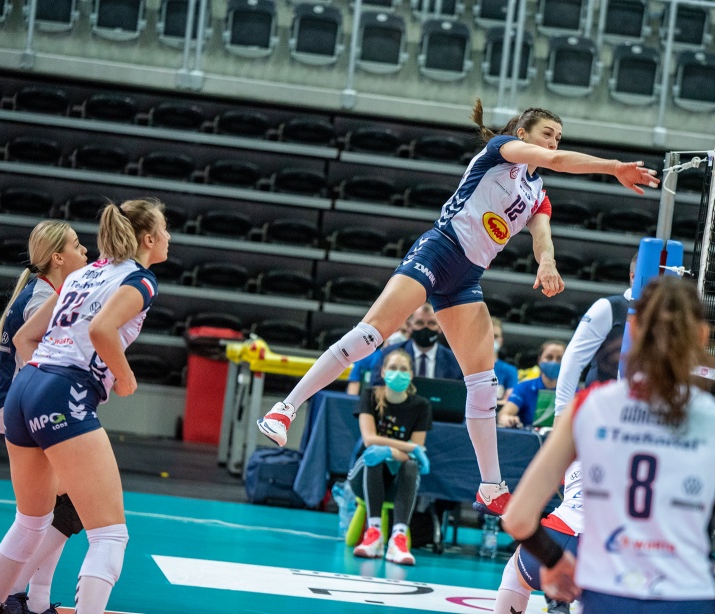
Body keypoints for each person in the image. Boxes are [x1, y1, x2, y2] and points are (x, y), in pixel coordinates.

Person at [258, 98, 659, 515]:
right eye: (547, 134)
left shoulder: (538, 194)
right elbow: (555, 160)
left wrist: (548, 262)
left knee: (484, 384)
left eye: (559, 137)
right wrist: (615, 167)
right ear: (523, 134)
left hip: (466, 278)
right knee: (370, 335)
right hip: (439, 251)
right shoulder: (501, 151)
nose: (553, 143)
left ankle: (491, 486)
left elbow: (542, 236)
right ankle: (285, 409)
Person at [502, 276, 715, 614]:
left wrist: (554, 560)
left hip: (606, 594)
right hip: (689, 597)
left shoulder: (589, 407)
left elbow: (518, 519)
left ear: (634, 330)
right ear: (702, 335)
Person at [0, 198, 170, 614]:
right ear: (149, 239)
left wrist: (45, 384)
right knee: (110, 536)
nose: (169, 236)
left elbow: (26, 338)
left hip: (25, 389)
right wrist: (124, 377)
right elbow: (102, 329)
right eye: (165, 228)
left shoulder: (85, 272)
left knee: (31, 522)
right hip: (63, 391)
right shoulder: (141, 280)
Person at [0, 220, 89, 614]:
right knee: (63, 507)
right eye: (77, 245)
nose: (85, 251)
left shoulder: (44, 292)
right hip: (25, 413)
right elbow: (38, 363)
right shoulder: (41, 298)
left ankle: (35, 600)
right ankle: (10, 595)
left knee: (60, 508)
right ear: (58, 258)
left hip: (22, 410)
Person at [348, 349, 433, 566]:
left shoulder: (421, 405)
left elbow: (416, 452)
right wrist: (405, 448)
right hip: (362, 479)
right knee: (374, 456)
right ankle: (374, 534)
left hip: (396, 484)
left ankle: (398, 539)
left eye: (403, 369)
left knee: (410, 466)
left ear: (411, 374)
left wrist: (395, 450)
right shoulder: (369, 396)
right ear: (383, 372)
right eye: (393, 368)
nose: (398, 373)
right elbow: (369, 440)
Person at [554, 253, 636, 417]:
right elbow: (574, 359)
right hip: (602, 411)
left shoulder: (668, 319)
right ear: (633, 277)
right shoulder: (610, 307)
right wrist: (561, 413)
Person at [494, 461, 582, 614]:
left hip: (552, 538)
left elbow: (518, 518)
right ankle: (559, 603)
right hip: (598, 552)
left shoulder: (573, 450)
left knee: (514, 574)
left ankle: (557, 602)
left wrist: (496, 498)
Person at [367, 303, 463, 386]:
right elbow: (375, 387)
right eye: (420, 323)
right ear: (409, 326)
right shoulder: (389, 354)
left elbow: (461, 393)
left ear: (440, 327)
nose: (425, 328)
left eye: (432, 323)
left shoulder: (455, 361)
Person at [497, 340, 565, 428]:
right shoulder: (524, 387)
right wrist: (507, 419)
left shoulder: (574, 394)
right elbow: (503, 415)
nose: (554, 362)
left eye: (559, 358)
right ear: (539, 360)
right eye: (549, 357)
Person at [346, 314, 413, 396]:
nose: (399, 334)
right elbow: (353, 390)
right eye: (395, 330)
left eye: (404, 331)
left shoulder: (411, 360)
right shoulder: (365, 358)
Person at [491, 317, 518, 403]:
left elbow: (509, 401)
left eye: (495, 336)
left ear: (501, 341)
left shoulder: (510, 370)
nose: (491, 339)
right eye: (488, 335)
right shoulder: (467, 367)